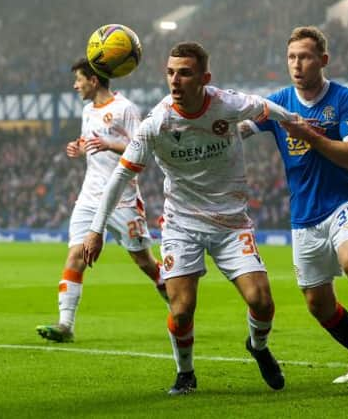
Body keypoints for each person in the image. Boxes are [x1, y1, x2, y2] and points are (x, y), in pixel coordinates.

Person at [83, 42, 297, 395]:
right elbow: (119, 177)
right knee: (181, 309)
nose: (175, 80)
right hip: (182, 225)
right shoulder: (157, 123)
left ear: (204, 78)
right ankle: (185, 373)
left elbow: (264, 107)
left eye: (184, 73)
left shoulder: (226, 103)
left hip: (231, 223)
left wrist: (295, 121)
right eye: (170, 72)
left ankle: (257, 348)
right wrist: (95, 231)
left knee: (261, 301)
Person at [241, 26, 348, 392]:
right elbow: (238, 128)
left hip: (344, 202)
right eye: (291, 57)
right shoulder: (278, 104)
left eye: (304, 56)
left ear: (323, 60)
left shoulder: (344, 98)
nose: (297, 64)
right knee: (318, 305)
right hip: (304, 216)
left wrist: (311, 136)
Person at [36, 59, 166, 343]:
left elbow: (144, 149)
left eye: (79, 80)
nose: (75, 85)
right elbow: (91, 142)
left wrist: (111, 144)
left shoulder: (125, 109)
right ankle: (65, 325)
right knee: (75, 255)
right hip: (89, 196)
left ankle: (176, 302)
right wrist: (79, 147)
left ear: (93, 81)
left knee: (143, 261)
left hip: (123, 197)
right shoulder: (86, 111)